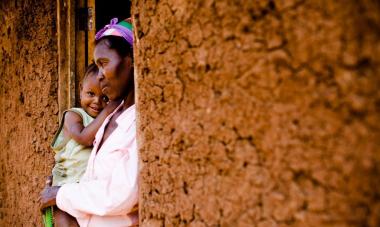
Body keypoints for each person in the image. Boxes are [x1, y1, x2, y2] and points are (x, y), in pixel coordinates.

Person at [40, 18, 138, 226]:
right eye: (96, 66)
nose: (100, 76)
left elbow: (122, 194)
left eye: (103, 64)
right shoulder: (110, 116)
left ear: (131, 59)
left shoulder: (141, 121)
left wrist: (61, 195)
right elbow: (91, 182)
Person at [43, 63, 120, 226]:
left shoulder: (108, 122)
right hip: (64, 187)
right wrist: (108, 110)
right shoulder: (74, 115)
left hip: (86, 191)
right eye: (90, 93)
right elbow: (83, 137)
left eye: (105, 98)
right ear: (80, 89)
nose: (97, 102)